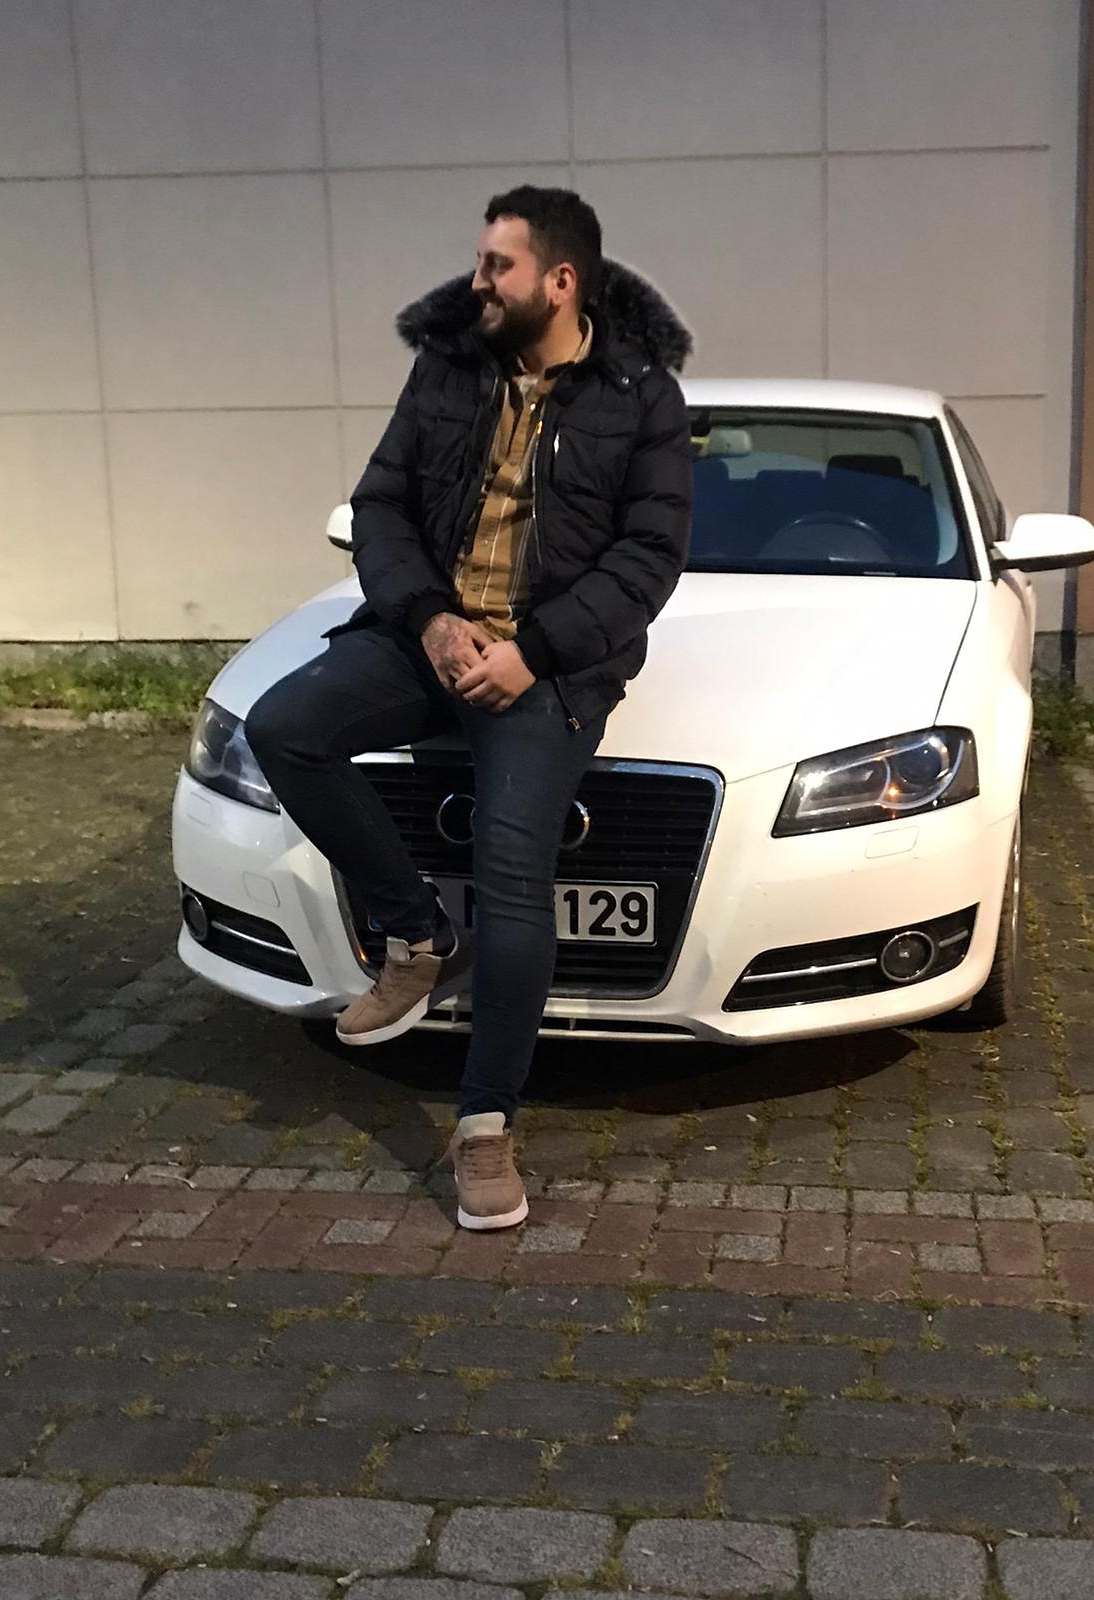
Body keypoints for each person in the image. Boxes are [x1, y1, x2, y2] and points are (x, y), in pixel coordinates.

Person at [247, 186, 692, 1231]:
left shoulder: (640, 397)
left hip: (550, 667)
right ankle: (415, 934)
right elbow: (380, 505)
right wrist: (431, 620)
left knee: (512, 866)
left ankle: (485, 1123)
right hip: (431, 638)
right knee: (282, 728)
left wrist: (533, 653)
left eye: (498, 265)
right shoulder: (448, 368)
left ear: (560, 281)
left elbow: (648, 558)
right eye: (481, 260)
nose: (477, 281)